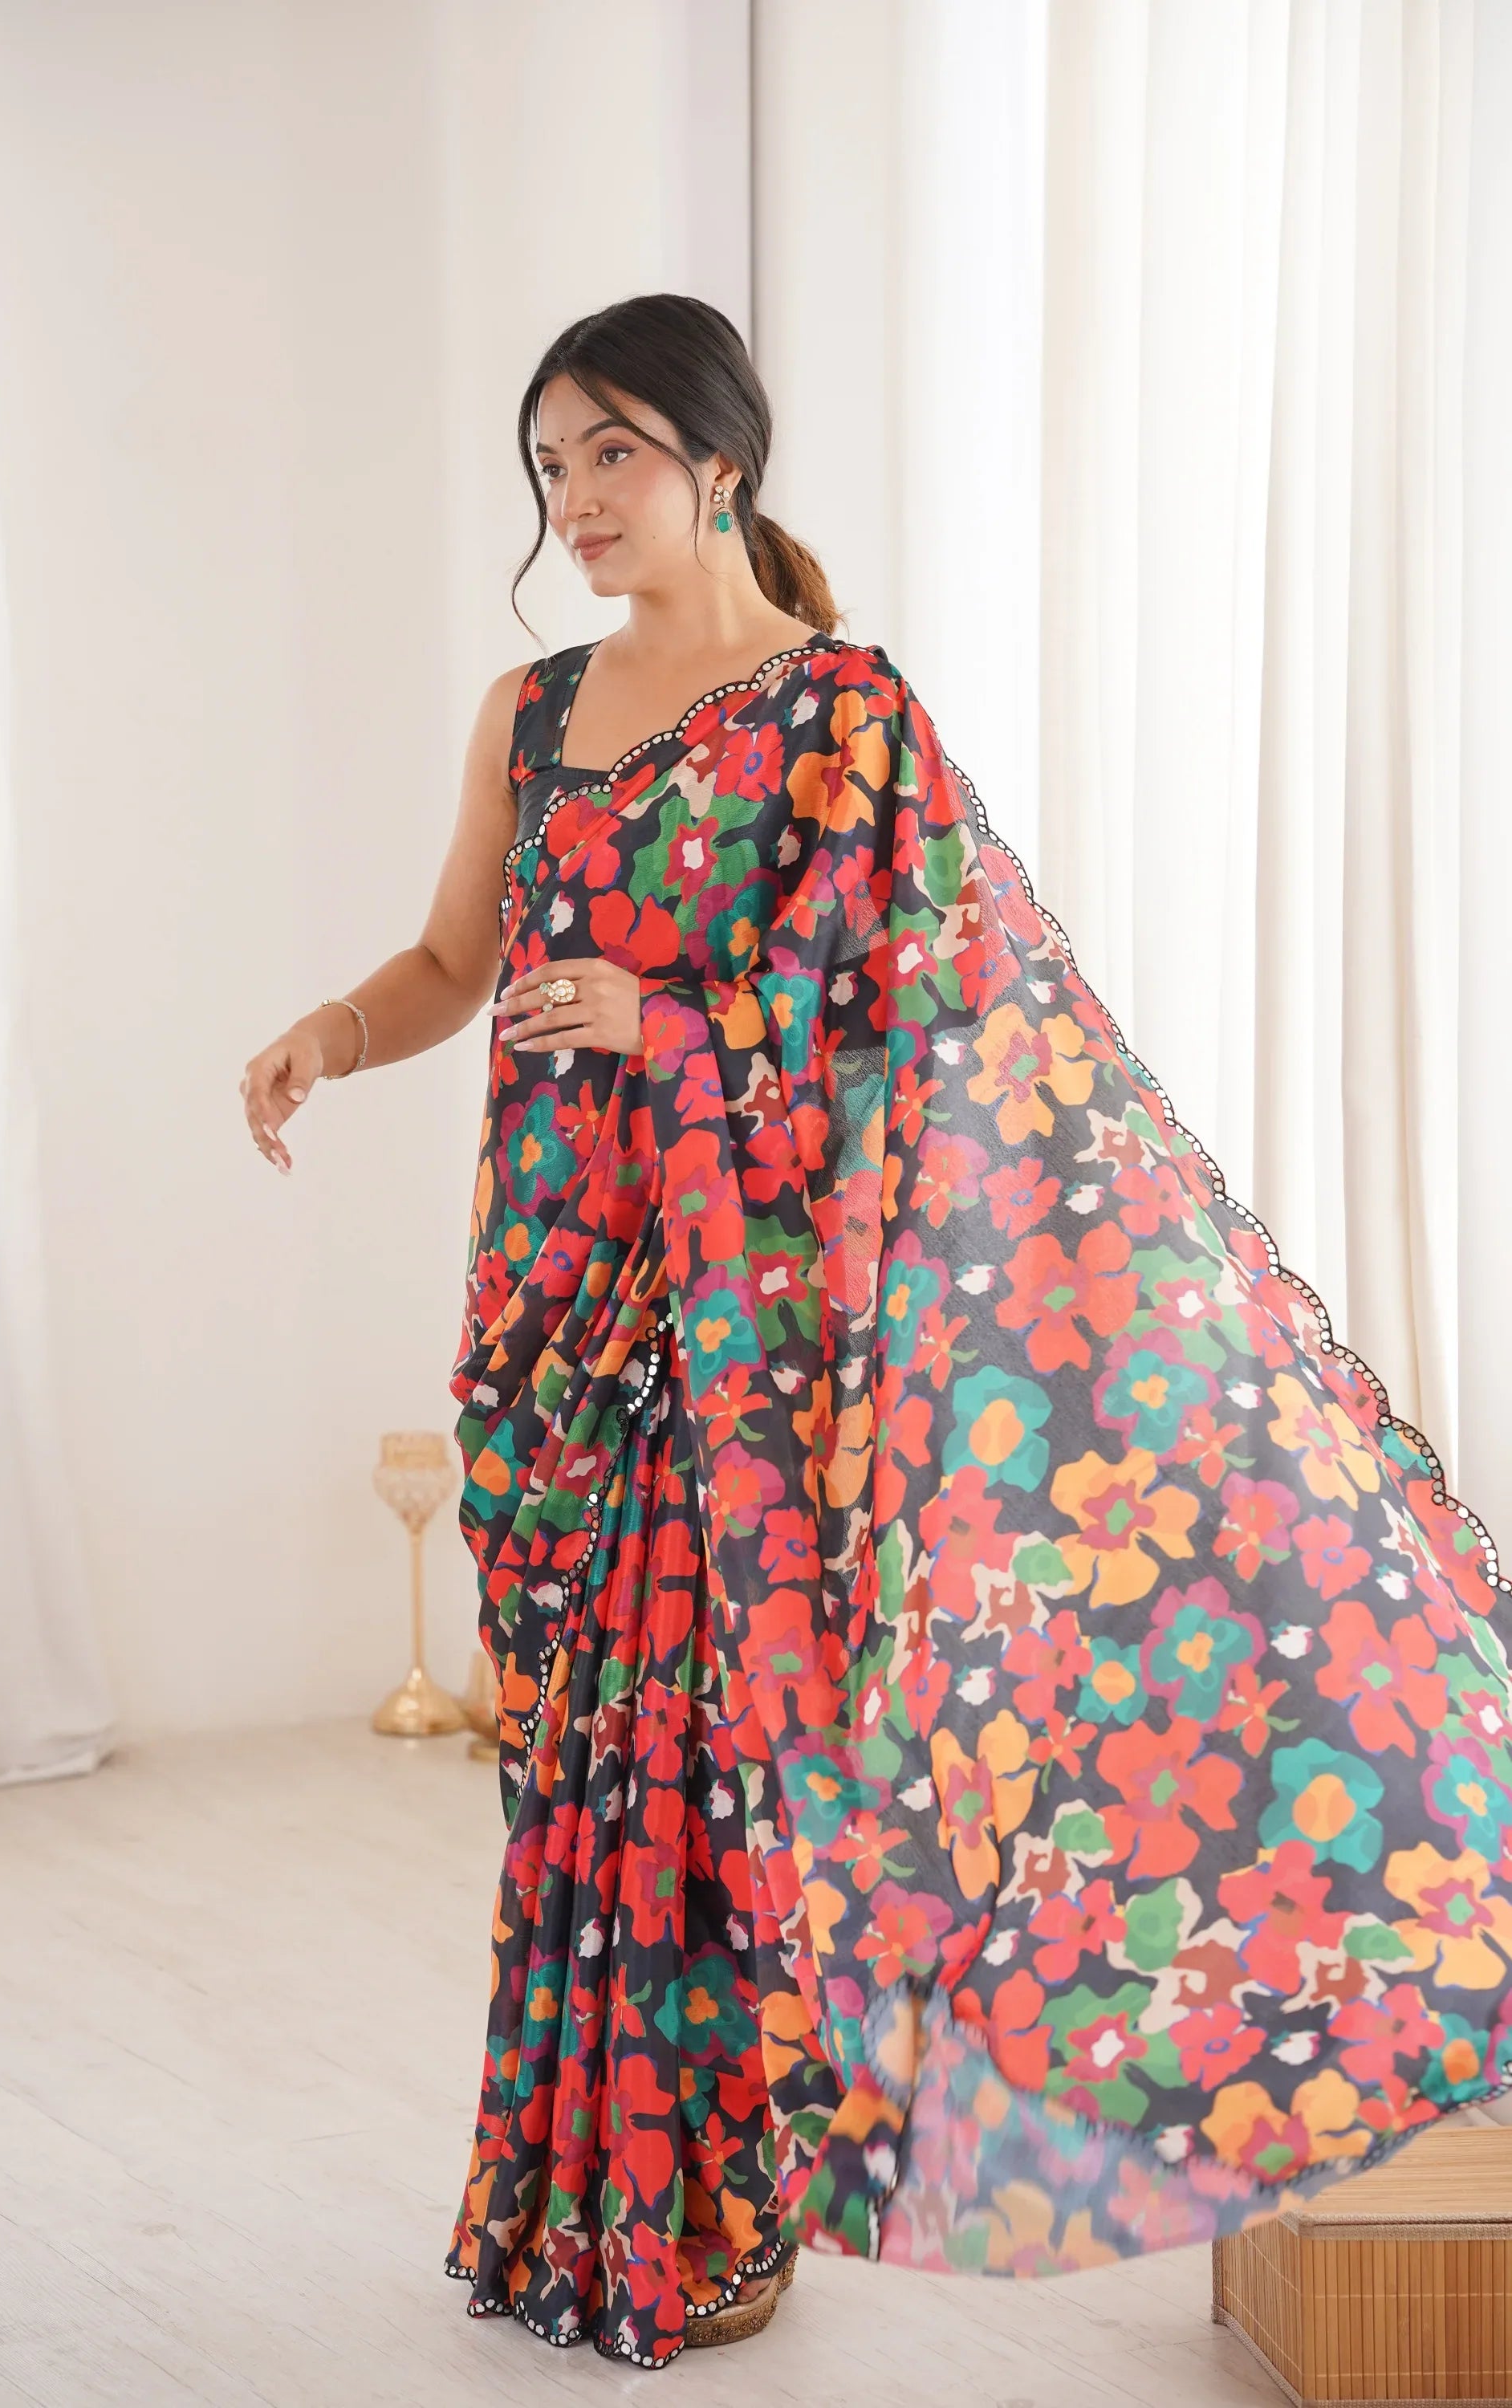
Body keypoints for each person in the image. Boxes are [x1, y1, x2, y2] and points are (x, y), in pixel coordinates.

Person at [240, 292, 1512, 2369]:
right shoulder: (528, 708)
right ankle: (567, 2198)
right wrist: (333, 1034)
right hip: (550, 1287)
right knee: (571, 1749)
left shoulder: (841, 717)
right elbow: (453, 955)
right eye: (553, 464)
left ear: (723, 464)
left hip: (744, 1325)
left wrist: (681, 1024)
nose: (580, 499)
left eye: (616, 454)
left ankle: (708, 2210)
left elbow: (929, 1021)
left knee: (702, 1746)